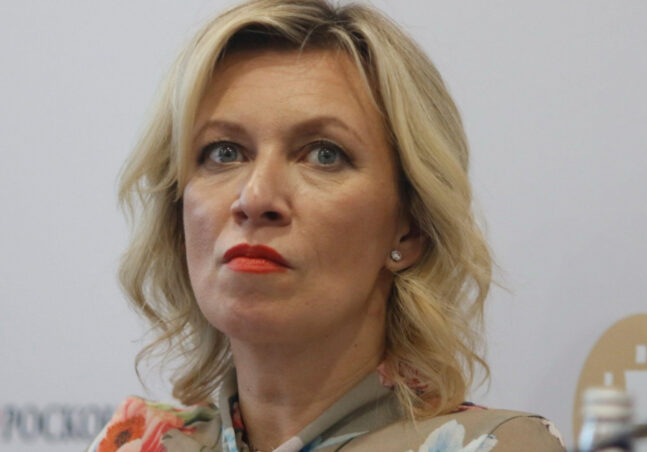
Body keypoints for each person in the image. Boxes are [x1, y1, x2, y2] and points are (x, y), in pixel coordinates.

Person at [89, 1, 566, 451]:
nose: (255, 198)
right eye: (224, 152)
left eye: (324, 154)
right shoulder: (135, 442)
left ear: (410, 228)